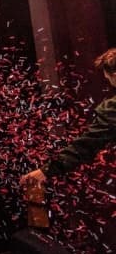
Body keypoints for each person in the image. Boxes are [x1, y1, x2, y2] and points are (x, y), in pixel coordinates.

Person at [21, 48, 116, 186]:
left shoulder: (113, 109)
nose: (107, 80)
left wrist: (45, 171)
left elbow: (86, 145)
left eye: (108, 77)